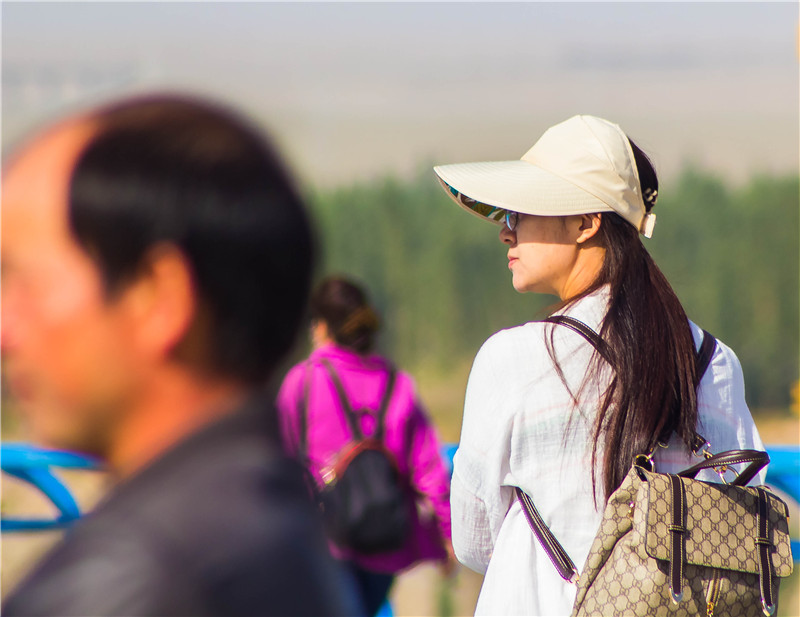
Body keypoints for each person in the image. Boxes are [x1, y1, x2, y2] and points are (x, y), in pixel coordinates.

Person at [1, 94, 355, 616]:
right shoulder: (275, 523)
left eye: (25, 283)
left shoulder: (130, 579)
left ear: (157, 296)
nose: (6, 329)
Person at [432, 115, 766, 615]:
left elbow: (475, 540)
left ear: (588, 222)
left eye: (520, 212)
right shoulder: (712, 360)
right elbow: (742, 503)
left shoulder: (512, 359)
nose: (506, 231)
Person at [277, 276, 455, 617]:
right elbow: (429, 469)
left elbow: (278, 462)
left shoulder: (302, 381)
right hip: (385, 544)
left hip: (323, 543)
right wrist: (448, 537)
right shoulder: (395, 382)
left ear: (321, 328)